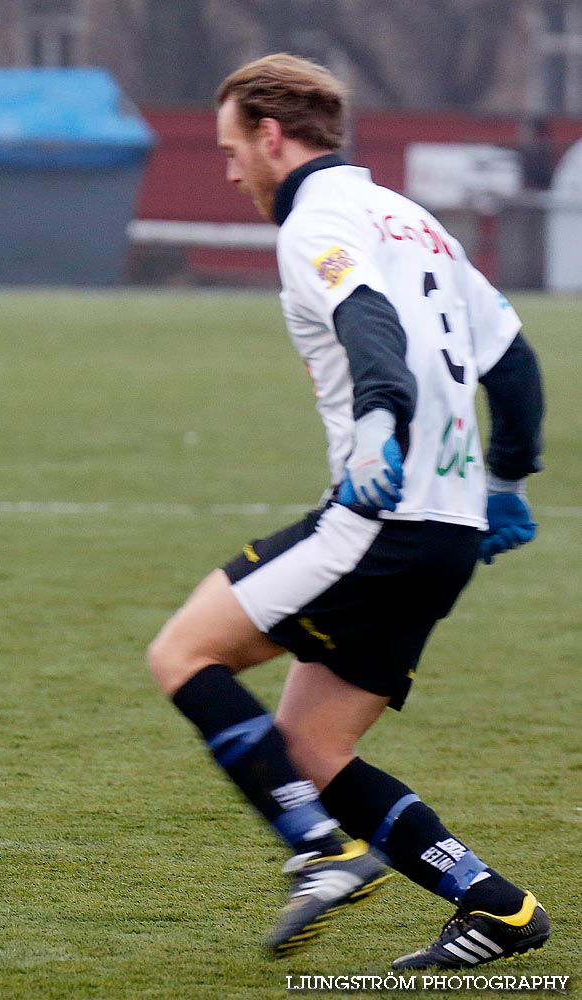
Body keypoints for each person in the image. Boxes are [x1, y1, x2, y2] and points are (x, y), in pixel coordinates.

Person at [146, 53, 549, 969]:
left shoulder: (315, 222)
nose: (229, 169)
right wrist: (509, 480)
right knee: (312, 748)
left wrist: (379, 424)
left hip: (379, 514)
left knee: (182, 652)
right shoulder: (420, 224)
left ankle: (320, 852)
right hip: (446, 533)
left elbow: (368, 321)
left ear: (272, 136)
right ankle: (497, 910)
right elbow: (514, 361)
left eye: (231, 147)